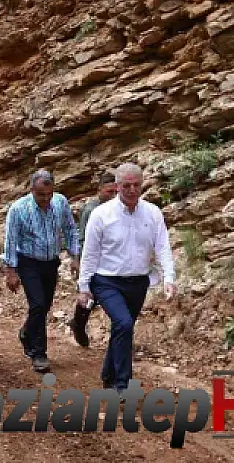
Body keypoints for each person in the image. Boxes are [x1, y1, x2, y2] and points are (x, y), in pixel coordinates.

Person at [78, 163, 176, 392]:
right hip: (107, 280)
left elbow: (162, 247)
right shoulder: (101, 215)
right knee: (123, 323)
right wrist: (84, 286)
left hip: (138, 281)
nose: (132, 190)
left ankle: (107, 373)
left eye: (136, 185)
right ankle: (122, 383)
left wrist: (169, 277)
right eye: (126, 186)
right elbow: (90, 252)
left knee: (123, 327)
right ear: (117, 186)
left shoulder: (152, 213)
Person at [2, 169, 79, 373]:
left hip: (51, 261)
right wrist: (11, 271)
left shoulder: (60, 203)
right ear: (31, 190)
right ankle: (39, 353)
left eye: (48, 194)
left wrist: (74, 256)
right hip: (28, 262)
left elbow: (70, 228)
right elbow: (10, 240)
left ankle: (27, 332)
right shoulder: (18, 209)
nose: (45, 199)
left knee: (44, 306)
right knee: (37, 304)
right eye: (40, 194)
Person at [71, 171, 119, 347]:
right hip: (94, 261)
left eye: (116, 192)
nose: (113, 196)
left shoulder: (118, 209)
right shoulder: (91, 210)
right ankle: (78, 324)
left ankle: (120, 340)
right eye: (109, 192)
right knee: (90, 297)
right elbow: (82, 238)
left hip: (112, 261)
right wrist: (82, 262)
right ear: (99, 190)